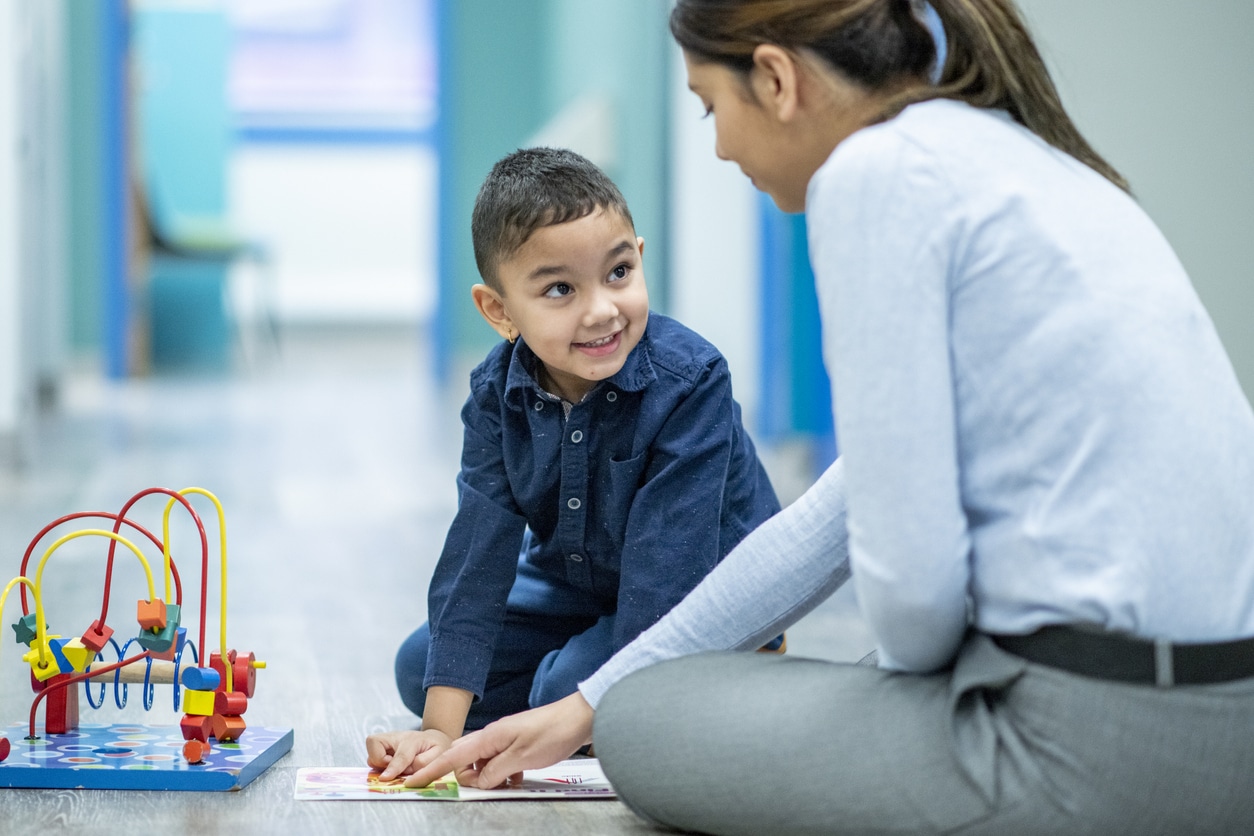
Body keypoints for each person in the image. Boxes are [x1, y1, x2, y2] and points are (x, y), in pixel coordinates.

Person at [403, 0, 1254, 832]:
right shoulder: (1022, 155)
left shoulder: (873, 177)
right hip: (1230, 723)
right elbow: (838, 512)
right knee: (612, 694)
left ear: (774, 79)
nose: (721, 144)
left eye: (711, 105)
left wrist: (608, 703)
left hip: (1089, 746)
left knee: (638, 722)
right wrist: (587, 698)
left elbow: (914, 621)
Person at [365, 147, 780, 780]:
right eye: (560, 289)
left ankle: (730, 668)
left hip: (693, 594)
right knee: (422, 666)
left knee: (559, 683)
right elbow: (478, 555)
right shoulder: (493, 395)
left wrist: (581, 698)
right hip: (579, 584)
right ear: (499, 311)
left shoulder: (691, 382)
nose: (601, 310)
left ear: (639, 254)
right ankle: (575, 694)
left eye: (618, 272)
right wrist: (438, 735)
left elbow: (670, 578)